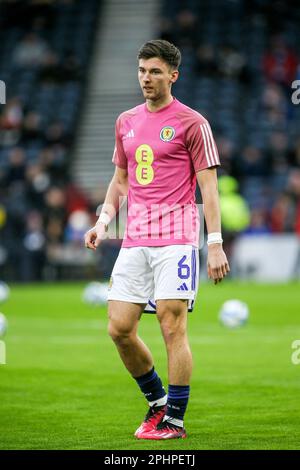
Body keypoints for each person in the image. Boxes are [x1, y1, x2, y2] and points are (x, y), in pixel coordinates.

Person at [84, 39, 230, 440]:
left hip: (178, 237)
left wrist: (214, 242)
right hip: (135, 238)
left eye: (155, 72)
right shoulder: (125, 121)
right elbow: (120, 181)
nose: (146, 79)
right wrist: (102, 222)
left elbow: (209, 189)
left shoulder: (192, 122)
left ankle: (175, 421)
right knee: (119, 328)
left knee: (171, 323)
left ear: (173, 75)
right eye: (142, 71)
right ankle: (157, 402)